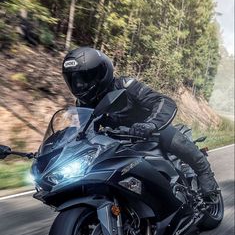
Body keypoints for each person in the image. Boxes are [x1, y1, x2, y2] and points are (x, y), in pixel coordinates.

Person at [62, 47, 219, 196]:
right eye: (74, 80)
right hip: (119, 143)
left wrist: (151, 124)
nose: (79, 85)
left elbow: (164, 101)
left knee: (166, 133)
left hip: (151, 132)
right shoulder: (83, 104)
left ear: (100, 74)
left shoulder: (125, 86)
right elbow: (85, 131)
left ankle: (204, 172)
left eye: (83, 79)